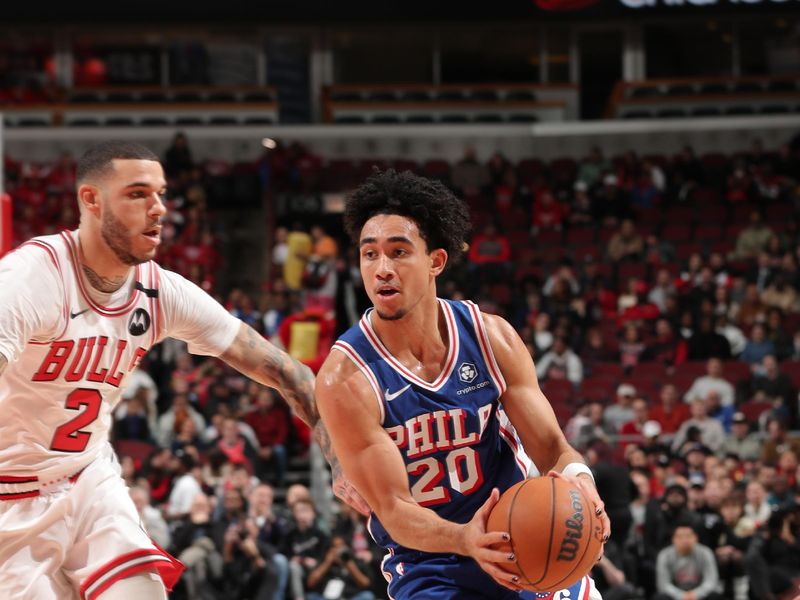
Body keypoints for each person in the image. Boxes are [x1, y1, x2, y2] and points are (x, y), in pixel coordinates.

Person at [0, 141, 355, 599]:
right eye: (137, 194)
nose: (159, 209)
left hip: (87, 479)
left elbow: (289, 373)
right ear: (90, 200)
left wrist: (341, 461)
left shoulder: (159, 290)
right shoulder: (31, 280)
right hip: (10, 496)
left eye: (162, 194)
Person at [315, 170, 608, 600]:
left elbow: (551, 447)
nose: (382, 270)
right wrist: (465, 539)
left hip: (522, 535)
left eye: (399, 252)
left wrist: (580, 479)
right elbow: (395, 510)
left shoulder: (491, 338)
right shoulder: (346, 378)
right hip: (430, 562)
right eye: (370, 255)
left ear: (436, 261)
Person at [654, 522, 723, 600]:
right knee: (660, 597)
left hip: (699, 594)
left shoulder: (705, 553)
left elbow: (711, 581)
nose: (684, 540)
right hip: (676, 595)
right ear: (673, 539)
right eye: (680, 537)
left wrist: (695, 594)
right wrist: (682, 596)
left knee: (715, 596)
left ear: (696, 538)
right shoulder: (664, 555)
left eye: (688, 536)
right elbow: (663, 584)